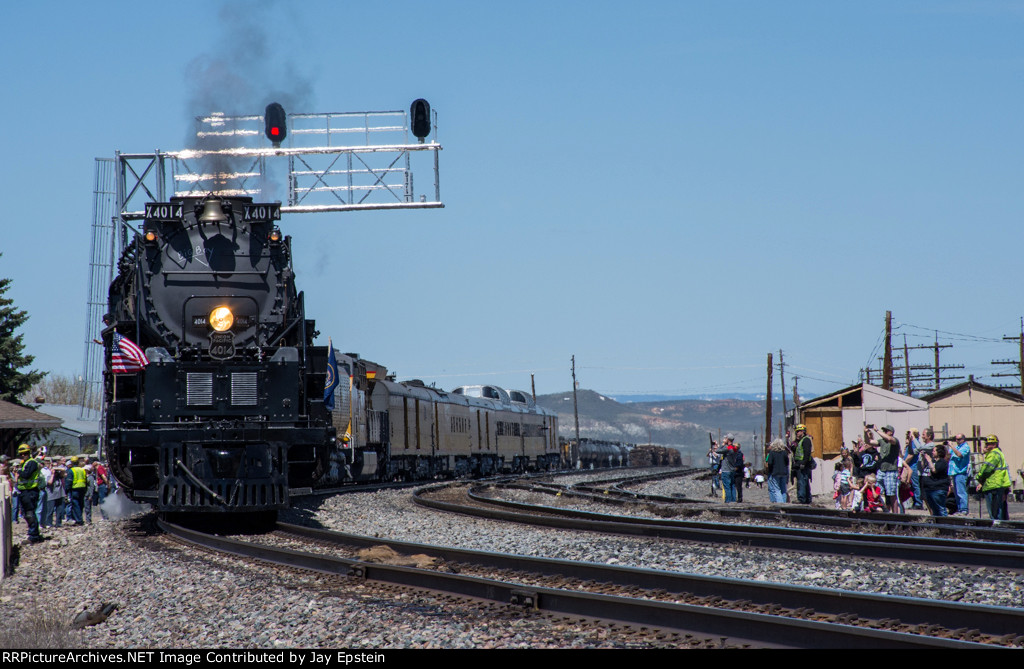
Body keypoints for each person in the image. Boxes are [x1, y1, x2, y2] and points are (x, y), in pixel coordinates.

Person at [15, 444, 45, 543]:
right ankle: (33, 533)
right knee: (26, 513)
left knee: (29, 513)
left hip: (30, 491)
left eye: (25, 453)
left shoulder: (31, 463)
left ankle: (34, 535)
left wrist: (19, 472)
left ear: (29, 453)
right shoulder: (25, 463)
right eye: (21, 454)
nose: (23, 455)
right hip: (25, 491)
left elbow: (27, 475)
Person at [976, 434, 1011, 521]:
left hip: (992, 484)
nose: (986, 446)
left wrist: (979, 477)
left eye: (988, 444)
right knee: (999, 508)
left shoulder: (993, 454)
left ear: (994, 444)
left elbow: (986, 469)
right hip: (998, 484)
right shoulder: (998, 453)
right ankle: (1001, 523)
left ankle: (997, 526)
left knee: (994, 510)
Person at [920, 443, 950, 517]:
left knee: (940, 509)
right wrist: (924, 458)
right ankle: (937, 525)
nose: (932, 452)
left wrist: (929, 460)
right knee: (934, 510)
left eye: (934, 451)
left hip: (938, 489)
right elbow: (924, 467)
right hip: (930, 488)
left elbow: (934, 470)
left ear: (939, 452)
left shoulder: (942, 462)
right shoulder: (934, 461)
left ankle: (945, 525)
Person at [789, 424, 814, 504]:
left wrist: (803, 463)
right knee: (803, 482)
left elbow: (807, 453)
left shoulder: (806, 440)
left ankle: (802, 499)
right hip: (799, 465)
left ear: (803, 431)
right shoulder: (799, 441)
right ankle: (806, 499)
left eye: (799, 431)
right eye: (796, 432)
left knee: (802, 483)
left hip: (803, 465)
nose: (797, 433)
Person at [948, 434, 971, 515]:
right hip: (954, 472)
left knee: (961, 491)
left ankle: (964, 509)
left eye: (959, 439)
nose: (957, 441)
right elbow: (949, 454)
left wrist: (951, 445)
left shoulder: (965, 447)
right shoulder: (956, 447)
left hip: (961, 472)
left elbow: (959, 455)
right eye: (956, 439)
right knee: (957, 492)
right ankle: (959, 508)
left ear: (963, 439)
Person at [765, 438, 789, 503]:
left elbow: (769, 463)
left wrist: (770, 470)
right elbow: (787, 462)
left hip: (775, 472)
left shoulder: (772, 453)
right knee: (783, 489)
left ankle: (780, 504)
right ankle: (784, 503)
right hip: (783, 473)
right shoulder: (784, 452)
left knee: (777, 489)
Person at [66, 456, 88, 525]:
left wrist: (66, 491)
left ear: (72, 462)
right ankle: (79, 518)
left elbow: (69, 482)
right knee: (81, 504)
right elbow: (86, 480)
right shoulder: (82, 470)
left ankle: (79, 520)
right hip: (82, 489)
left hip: (75, 489)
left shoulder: (71, 470)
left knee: (76, 505)